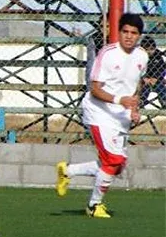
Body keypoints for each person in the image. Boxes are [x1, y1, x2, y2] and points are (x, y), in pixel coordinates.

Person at [56, 13, 148, 218]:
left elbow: (136, 85)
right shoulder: (107, 54)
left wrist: (133, 109)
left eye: (134, 33)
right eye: (125, 31)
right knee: (113, 159)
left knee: (116, 167)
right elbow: (95, 89)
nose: (129, 36)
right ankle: (94, 205)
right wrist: (119, 101)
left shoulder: (142, 56)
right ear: (119, 32)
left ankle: (68, 171)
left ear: (139, 36)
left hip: (120, 114)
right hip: (98, 112)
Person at [139, 36, 166, 108]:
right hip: (144, 80)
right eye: (146, 49)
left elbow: (162, 69)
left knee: (160, 87)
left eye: (152, 49)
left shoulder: (158, 56)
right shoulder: (139, 57)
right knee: (145, 88)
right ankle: (141, 100)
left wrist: (156, 78)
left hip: (156, 79)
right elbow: (136, 70)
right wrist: (144, 78)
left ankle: (164, 100)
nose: (149, 52)